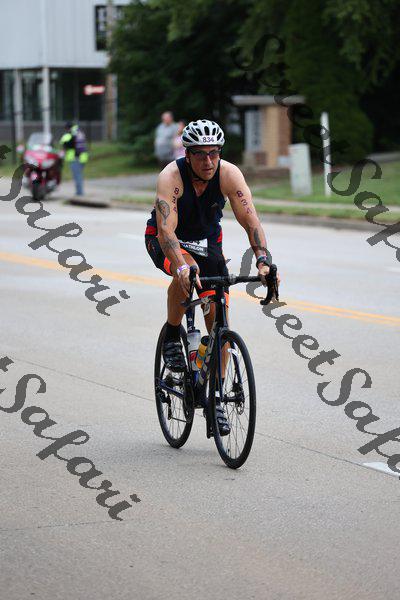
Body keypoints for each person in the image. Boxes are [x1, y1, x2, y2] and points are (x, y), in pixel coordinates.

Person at [145, 119, 280, 434]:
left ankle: (215, 398)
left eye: (214, 153)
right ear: (188, 154)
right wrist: (181, 266)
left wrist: (263, 261)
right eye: (201, 154)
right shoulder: (171, 177)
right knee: (186, 272)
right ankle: (172, 334)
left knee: (219, 320)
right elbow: (166, 231)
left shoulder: (229, 174)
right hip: (166, 240)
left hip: (207, 243)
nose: (208, 161)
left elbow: (251, 220)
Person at [60, 121, 89, 196]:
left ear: (67, 128)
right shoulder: (79, 132)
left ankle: (79, 193)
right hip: (83, 157)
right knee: (79, 175)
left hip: (76, 157)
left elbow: (69, 144)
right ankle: (79, 192)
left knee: (77, 175)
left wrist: (65, 145)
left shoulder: (72, 133)